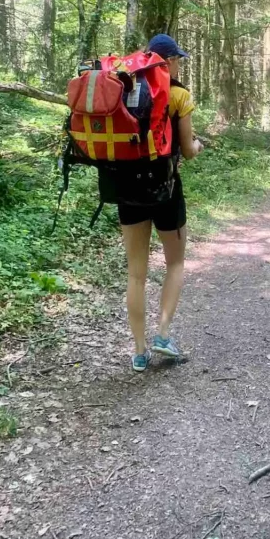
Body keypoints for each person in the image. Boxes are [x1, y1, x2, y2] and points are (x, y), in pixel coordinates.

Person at [119, 34, 203, 372]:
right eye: (177, 59)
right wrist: (198, 146)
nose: (178, 64)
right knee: (175, 264)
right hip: (166, 188)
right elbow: (187, 148)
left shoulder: (124, 89)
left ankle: (139, 351)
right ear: (167, 61)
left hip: (127, 189)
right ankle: (163, 334)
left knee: (136, 274)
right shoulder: (178, 95)